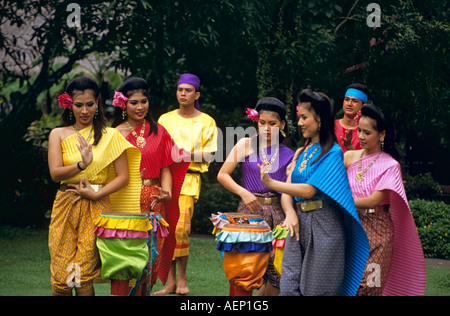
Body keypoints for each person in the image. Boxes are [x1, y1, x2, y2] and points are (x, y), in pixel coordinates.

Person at [259, 89, 370, 296]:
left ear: (319, 119)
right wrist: (290, 213)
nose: (299, 123)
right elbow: (289, 190)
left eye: (304, 117)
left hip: (325, 227)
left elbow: (309, 190)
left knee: (316, 290)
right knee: (288, 287)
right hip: (298, 224)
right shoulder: (302, 152)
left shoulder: (334, 153)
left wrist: (271, 182)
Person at [48, 76, 142, 296]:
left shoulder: (110, 136)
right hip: (66, 204)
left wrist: (95, 194)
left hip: (97, 206)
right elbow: (55, 173)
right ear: (68, 104)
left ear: (98, 102)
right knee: (62, 278)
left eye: (90, 104)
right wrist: (82, 164)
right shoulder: (58, 134)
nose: (84, 111)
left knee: (82, 275)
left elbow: (123, 177)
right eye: (78, 105)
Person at [112, 78, 190, 292]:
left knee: (152, 255)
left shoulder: (159, 131)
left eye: (144, 101)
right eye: (134, 102)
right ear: (123, 105)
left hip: (155, 199)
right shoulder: (115, 133)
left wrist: (167, 193)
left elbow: (166, 165)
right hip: (127, 198)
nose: (140, 107)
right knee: (130, 255)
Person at [344, 104, 426, 296]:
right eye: (359, 131)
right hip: (351, 227)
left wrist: (340, 201)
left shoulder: (390, 165)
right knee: (347, 284)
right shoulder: (348, 156)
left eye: (367, 132)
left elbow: (373, 201)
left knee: (371, 285)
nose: (361, 137)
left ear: (381, 134)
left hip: (378, 232)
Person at [217, 97, 294, 296]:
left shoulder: (290, 154)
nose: (266, 128)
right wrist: (243, 192)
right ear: (256, 122)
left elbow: (288, 190)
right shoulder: (246, 144)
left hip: (278, 213)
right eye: (262, 123)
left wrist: (289, 216)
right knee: (244, 268)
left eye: (273, 123)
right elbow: (222, 174)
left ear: (282, 124)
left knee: (277, 272)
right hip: (248, 212)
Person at [156, 73, 217, 295]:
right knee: (165, 230)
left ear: (196, 94)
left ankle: (182, 279)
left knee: (180, 230)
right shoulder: (164, 119)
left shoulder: (207, 121)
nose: (183, 93)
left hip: (189, 179)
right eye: (180, 89)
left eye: (188, 90)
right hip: (164, 179)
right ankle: (170, 282)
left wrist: (182, 155)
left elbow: (209, 155)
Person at [335, 83, 369, 152]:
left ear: (363, 106)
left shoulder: (365, 133)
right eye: (347, 99)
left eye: (355, 101)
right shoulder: (330, 126)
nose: (349, 104)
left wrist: (349, 146)